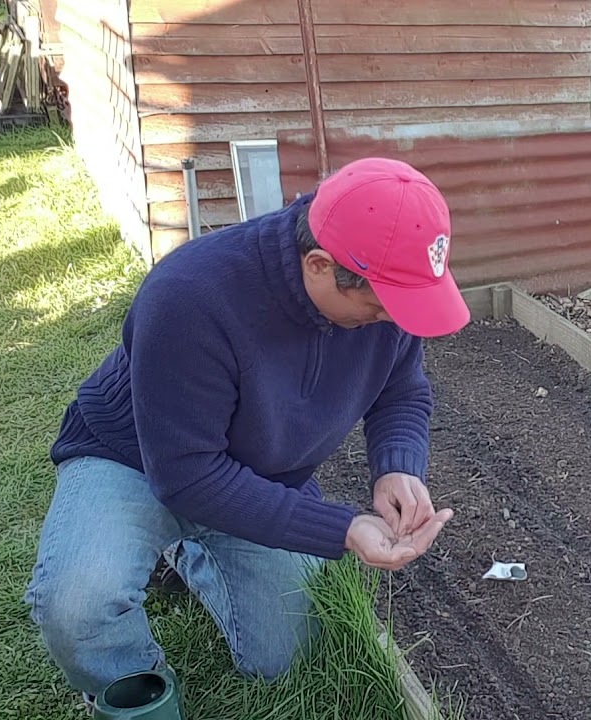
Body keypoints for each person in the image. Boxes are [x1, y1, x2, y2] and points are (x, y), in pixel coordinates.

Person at [23, 157, 467, 706]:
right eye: (379, 307)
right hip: (132, 459)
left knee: (290, 650)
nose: (391, 321)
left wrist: (398, 465)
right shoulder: (190, 295)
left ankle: (191, 554)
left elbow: (401, 389)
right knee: (78, 605)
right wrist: (343, 527)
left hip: (259, 475)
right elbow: (186, 476)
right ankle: (142, 699)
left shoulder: (386, 298)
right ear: (319, 265)